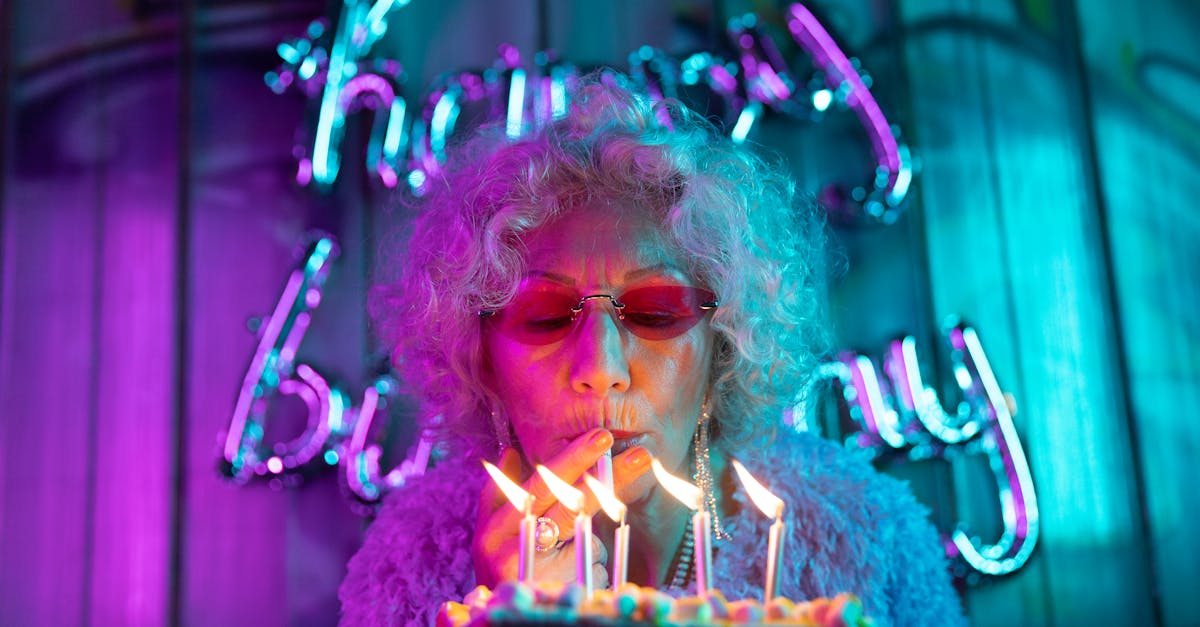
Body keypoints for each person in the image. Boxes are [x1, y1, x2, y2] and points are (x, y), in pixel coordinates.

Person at [338, 72, 964, 626]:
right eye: (547, 316)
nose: (601, 370)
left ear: (723, 348)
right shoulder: (412, 560)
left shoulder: (865, 538)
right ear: (482, 361)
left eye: (656, 312)